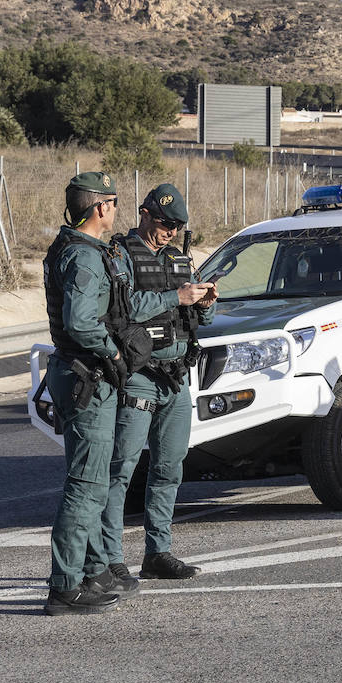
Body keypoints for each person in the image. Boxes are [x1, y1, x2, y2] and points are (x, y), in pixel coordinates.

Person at [41, 173, 205, 615]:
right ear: (100, 208)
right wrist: (113, 351)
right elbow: (85, 322)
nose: (117, 209)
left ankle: (91, 572)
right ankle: (70, 583)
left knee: (118, 477)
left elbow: (110, 309)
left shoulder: (86, 251)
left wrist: (193, 303)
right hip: (100, 377)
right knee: (92, 483)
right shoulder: (93, 255)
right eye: (112, 202)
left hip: (131, 374)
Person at [101, 184, 217, 585]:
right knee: (122, 468)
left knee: (169, 468)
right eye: (166, 222)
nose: (170, 231)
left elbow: (204, 318)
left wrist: (204, 302)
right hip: (138, 376)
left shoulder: (181, 259)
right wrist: (177, 297)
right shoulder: (120, 256)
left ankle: (158, 553)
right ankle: (111, 559)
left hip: (176, 377)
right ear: (145, 214)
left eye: (177, 225)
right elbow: (124, 308)